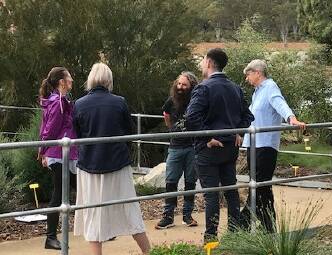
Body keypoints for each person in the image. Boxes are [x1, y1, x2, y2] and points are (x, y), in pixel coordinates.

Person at [73, 63, 150, 255]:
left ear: (90, 79)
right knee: (130, 208)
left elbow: (77, 134)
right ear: (109, 80)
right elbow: (129, 132)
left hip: (89, 164)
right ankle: (149, 252)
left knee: (93, 213)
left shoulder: (79, 104)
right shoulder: (119, 102)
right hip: (117, 163)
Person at [185, 48, 254, 243]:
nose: (201, 64)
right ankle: (234, 234)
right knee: (231, 191)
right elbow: (247, 116)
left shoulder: (204, 88)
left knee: (212, 195)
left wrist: (208, 136)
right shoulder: (235, 88)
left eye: (202, 60)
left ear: (208, 62)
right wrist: (237, 131)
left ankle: (211, 237)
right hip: (230, 147)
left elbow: (191, 118)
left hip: (210, 148)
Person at [240, 59, 306, 232]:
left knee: (259, 184)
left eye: (248, 74)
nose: (247, 79)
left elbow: (280, 103)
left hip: (265, 145)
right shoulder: (257, 92)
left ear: (257, 73)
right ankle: (268, 226)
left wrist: (291, 118)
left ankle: (243, 222)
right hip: (253, 144)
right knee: (260, 186)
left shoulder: (270, 87)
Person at [38, 67, 78, 250]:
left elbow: (45, 126)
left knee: (78, 190)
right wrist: (43, 150)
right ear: (62, 82)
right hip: (59, 154)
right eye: (69, 78)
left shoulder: (60, 100)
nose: (72, 80)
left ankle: (95, 230)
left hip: (65, 153)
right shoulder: (58, 101)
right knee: (59, 194)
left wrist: (43, 148)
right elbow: (51, 129)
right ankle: (50, 237)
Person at [155, 72, 199, 229]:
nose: (180, 87)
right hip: (175, 146)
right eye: (179, 84)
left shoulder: (196, 100)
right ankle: (168, 216)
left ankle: (187, 215)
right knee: (171, 181)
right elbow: (166, 114)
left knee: (190, 181)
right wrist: (172, 129)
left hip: (192, 146)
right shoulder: (171, 100)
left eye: (184, 85)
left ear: (191, 86)